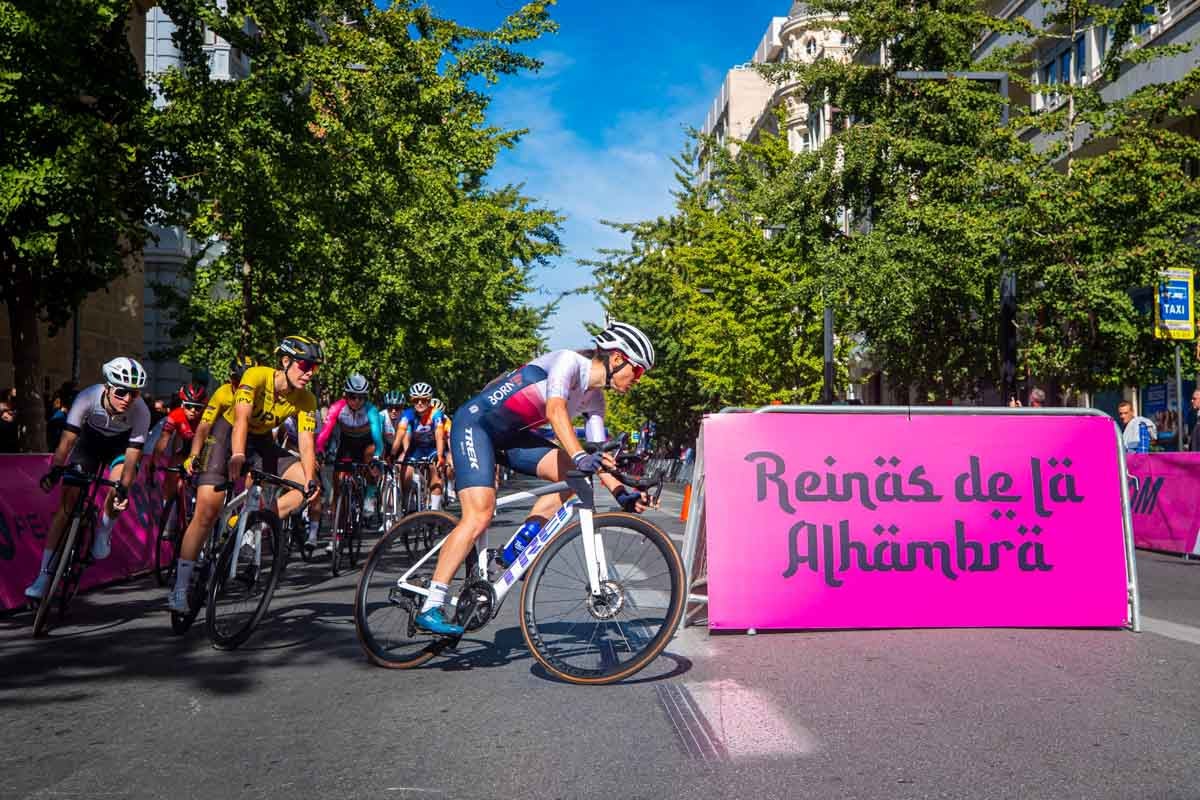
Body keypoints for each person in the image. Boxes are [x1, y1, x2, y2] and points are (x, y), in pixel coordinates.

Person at [413, 321, 656, 635]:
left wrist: (623, 493)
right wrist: (581, 456)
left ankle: (515, 552)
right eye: (637, 372)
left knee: (576, 476)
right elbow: (555, 412)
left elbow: (598, 456)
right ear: (619, 358)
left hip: (512, 436)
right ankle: (432, 603)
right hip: (476, 426)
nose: (638, 380)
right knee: (480, 515)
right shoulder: (569, 362)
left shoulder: (596, 400)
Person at [167, 336, 323, 612]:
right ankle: (179, 587)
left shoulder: (307, 398)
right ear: (285, 361)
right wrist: (237, 454)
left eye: (315, 368)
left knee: (304, 489)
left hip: (261, 442)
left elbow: (306, 442)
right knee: (205, 513)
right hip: (227, 437)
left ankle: (252, 522)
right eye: (305, 365)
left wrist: (311, 479)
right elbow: (240, 420)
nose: (310, 373)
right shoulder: (256, 376)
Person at [24, 357, 150, 600]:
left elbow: (133, 455)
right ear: (108, 387)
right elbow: (68, 440)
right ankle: (44, 577)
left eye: (133, 394)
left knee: (118, 485)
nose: (127, 399)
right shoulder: (88, 397)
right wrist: (56, 469)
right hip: (89, 444)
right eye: (122, 392)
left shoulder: (141, 411)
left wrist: (123, 488)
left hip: (120, 448)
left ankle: (104, 529)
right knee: (66, 508)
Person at [313, 373, 385, 551]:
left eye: (361, 397)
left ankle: (369, 496)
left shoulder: (371, 411)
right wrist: (319, 450)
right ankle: (336, 535)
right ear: (346, 395)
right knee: (338, 491)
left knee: (371, 458)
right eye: (353, 396)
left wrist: (377, 456)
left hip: (366, 445)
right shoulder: (337, 408)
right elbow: (324, 434)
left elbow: (378, 440)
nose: (357, 401)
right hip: (346, 446)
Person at [150, 383, 208, 520]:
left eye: (198, 408)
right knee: (173, 474)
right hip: (186, 448)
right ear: (182, 405)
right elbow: (163, 440)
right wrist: (154, 461)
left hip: (205, 447)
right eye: (188, 406)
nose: (193, 410)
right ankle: (166, 510)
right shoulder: (175, 415)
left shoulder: (207, 417)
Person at [390, 382, 446, 512]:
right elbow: (400, 434)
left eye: (424, 400)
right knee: (406, 473)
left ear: (429, 400)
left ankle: (434, 509)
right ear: (412, 401)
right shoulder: (408, 414)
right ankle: (406, 503)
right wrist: (392, 454)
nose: (420, 403)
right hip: (416, 449)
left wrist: (440, 455)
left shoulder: (436, 413)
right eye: (416, 400)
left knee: (435, 470)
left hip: (432, 448)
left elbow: (439, 435)